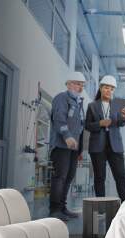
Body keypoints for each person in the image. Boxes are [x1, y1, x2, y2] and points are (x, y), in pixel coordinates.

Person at [85, 75, 125, 202]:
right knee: (100, 177)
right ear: (100, 88)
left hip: (115, 146)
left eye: (111, 88)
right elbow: (87, 125)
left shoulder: (117, 105)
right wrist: (99, 124)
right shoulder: (92, 106)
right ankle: (100, 206)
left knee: (120, 176)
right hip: (97, 146)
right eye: (106, 88)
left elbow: (120, 123)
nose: (109, 90)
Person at [49, 71, 86, 221]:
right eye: (78, 84)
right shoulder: (61, 98)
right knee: (60, 177)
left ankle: (63, 208)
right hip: (61, 145)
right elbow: (59, 119)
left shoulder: (78, 103)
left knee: (69, 177)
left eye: (82, 85)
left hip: (73, 148)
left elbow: (80, 127)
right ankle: (55, 209)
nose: (80, 87)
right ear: (69, 84)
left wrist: (79, 148)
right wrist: (67, 136)